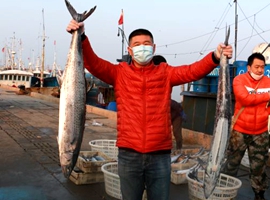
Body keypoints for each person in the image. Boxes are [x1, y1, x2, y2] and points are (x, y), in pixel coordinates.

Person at [66, 20, 233, 200]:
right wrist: (81, 36)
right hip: (128, 154)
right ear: (129, 51)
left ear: (154, 48)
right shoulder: (118, 73)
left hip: (160, 156)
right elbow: (94, 63)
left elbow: (192, 71)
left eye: (146, 44)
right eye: (137, 45)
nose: (142, 48)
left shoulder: (166, 72)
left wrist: (216, 56)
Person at [221, 52, 270, 200]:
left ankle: (259, 193)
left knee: (259, 166)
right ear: (249, 67)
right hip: (239, 131)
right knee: (232, 163)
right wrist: (266, 96)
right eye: (257, 67)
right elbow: (244, 99)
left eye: (262, 67)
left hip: (260, 132)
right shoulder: (239, 80)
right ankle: (225, 191)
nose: (260, 70)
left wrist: (266, 113)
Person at [152, 55, 186, 150]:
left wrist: (181, 112)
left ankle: (179, 149)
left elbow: (175, 105)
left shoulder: (166, 79)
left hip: (175, 116)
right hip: (165, 117)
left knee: (176, 133)